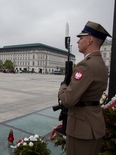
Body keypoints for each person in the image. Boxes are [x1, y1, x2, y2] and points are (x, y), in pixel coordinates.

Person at [58, 21, 111, 155]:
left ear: (89, 40)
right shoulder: (100, 64)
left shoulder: (86, 66)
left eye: (81, 38)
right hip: (92, 125)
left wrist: (63, 85)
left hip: (81, 129)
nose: (78, 42)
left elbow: (67, 100)